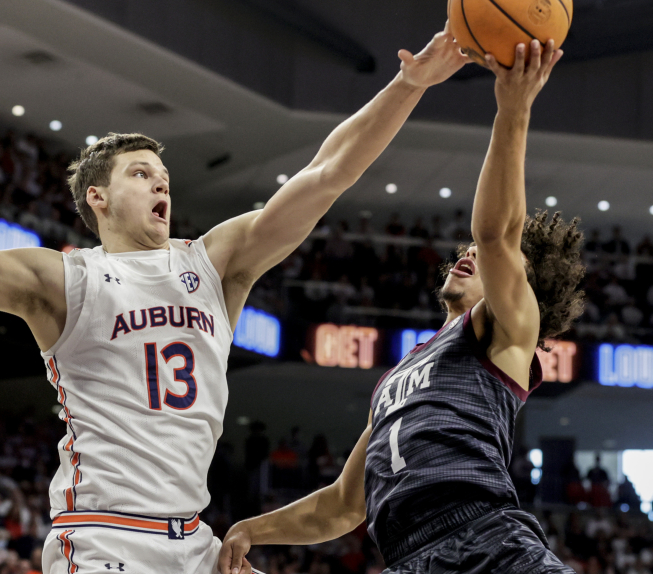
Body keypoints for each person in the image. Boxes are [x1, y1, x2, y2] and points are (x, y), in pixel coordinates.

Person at [0, 26, 468, 574]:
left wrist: (409, 84)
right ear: (97, 197)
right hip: (105, 540)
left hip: (196, 543)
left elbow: (327, 174)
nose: (161, 181)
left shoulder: (218, 261)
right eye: (142, 172)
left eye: (163, 174)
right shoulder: (61, 280)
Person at [219, 39, 585, 574]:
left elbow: (495, 233)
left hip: (487, 541)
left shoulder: (510, 328)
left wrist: (514, 108)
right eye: (467, 250)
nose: (470, 252)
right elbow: (342, 506)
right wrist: (254, 528)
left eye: (489, 259)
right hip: (408, 559)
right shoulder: (397, 380)